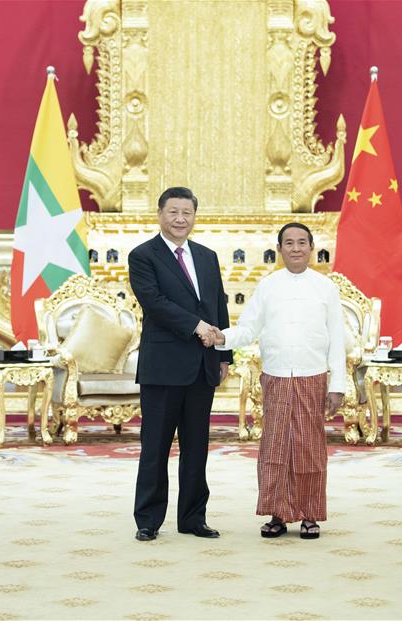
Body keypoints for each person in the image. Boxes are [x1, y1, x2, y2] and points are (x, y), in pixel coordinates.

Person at [212, 223, 344, 539]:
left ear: (312, 248)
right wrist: (221, 338)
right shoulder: (268, 286)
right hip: (277, 378)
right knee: (276, 446)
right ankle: (277, 514)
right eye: (289, 243)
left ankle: (310, 515)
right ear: (279, 249)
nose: (296, 248)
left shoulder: (326, 288)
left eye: (302, 243)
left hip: (313, 378)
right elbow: (247, 329)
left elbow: (337, 339)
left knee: (309, 448)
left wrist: (337, 383)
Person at [129, 187, 232, 542]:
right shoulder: (142, 256)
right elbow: (154, 303)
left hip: (202, 366)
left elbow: (217, 304)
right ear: (160, 214)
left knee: (196, 446)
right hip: (163, 367)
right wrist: (196, 326)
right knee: (155, 446)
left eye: (186, 213)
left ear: (193, 216)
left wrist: (224, 354)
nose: (180, 219)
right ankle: (148, 519)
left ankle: (192, 517)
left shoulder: (207, 256)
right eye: (173, 212)